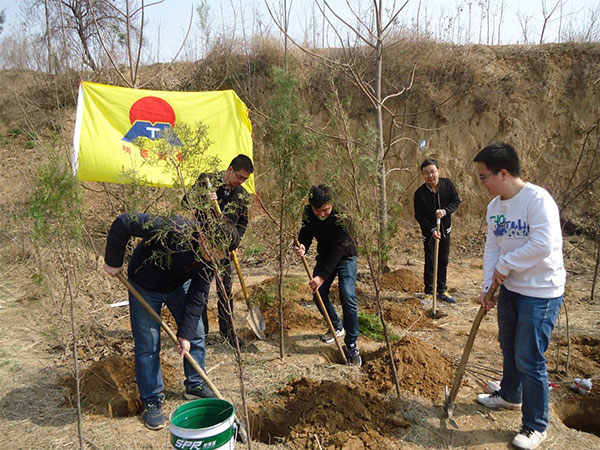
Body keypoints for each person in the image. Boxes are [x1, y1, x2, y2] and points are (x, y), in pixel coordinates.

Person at [103, 212, 239, 430]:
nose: (218, 257)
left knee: (196, 333)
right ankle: (152, 401)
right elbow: (123, 223)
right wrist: (113, 260)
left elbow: (198, 295)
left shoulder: (216, 257)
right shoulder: (174, 229)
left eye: (222, 254)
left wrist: (184, 334)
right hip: (145, 284)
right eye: (215, 251)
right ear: (204, 237)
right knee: (148, 344)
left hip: (178, 286)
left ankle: (194, 384)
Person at [473, 143, 565, 450]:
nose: (482, 183)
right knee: (509, 346)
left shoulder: (537, 200)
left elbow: (544, 243)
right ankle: (510, 394)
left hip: (540, 293)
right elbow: (493, 247)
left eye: (484, 176)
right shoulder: (494, 208)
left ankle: (535, 426)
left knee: (530, 357)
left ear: (503, 173)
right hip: (510, 290)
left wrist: (506, 265)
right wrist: (488, 285)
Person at [187, 154, 253, 346]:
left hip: (225, 251)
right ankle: (201, 333)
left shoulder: (241, 194)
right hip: (203, 248)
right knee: (201, 290)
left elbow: (242, 223)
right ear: (230, 169)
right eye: (239, 177)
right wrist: (204, 199)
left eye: (245, 180)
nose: (241, 182)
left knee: (226, 291)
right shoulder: (207, 180)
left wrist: (235, 242)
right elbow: (186, 202)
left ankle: (228, 334)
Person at [294, 185, 362, 366]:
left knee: (347, 294)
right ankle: (336, 326)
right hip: (325, 256)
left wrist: (321, 276)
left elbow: (339, 248)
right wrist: (303, 245)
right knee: (318, 293)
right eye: (318, 211)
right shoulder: (309, 212)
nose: (321, 214)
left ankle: (352, 343)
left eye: (325, 210)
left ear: (331, 204)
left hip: (346, 255)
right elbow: (306, 232)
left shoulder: (341, 214)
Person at [414, 158, 461, 304]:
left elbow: (456, 201)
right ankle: (429, 292)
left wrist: (445, 211)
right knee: (430, 261)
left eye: (433, 172)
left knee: (443, 260)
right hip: (430, 232)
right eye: (426, 173)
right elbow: (419, 216)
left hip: (445, 229)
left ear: (438, 171)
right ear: (423, 175)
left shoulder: (447, 185)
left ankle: (441, 290)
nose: (430, 176)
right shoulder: (420, 193)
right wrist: (432, 230)